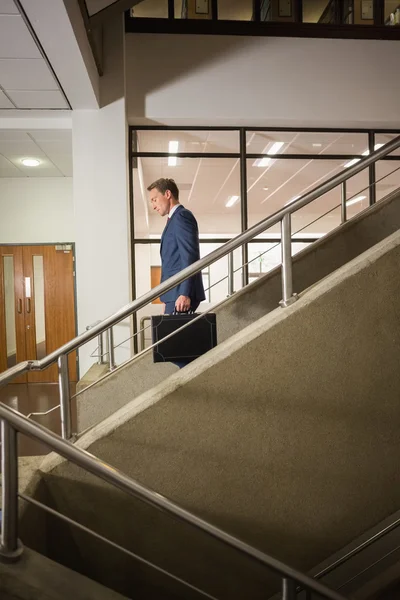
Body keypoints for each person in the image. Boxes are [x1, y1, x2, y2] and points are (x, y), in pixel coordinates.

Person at [148, 178, 205, 367]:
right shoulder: (172, 220)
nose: (153, 205)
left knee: (180, 350)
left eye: (154, 199)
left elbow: (189, 256)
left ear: (167, 194)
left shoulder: (182, 217)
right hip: (174, 293)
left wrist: (184, 293)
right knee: (176, 348)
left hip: (180, 293)